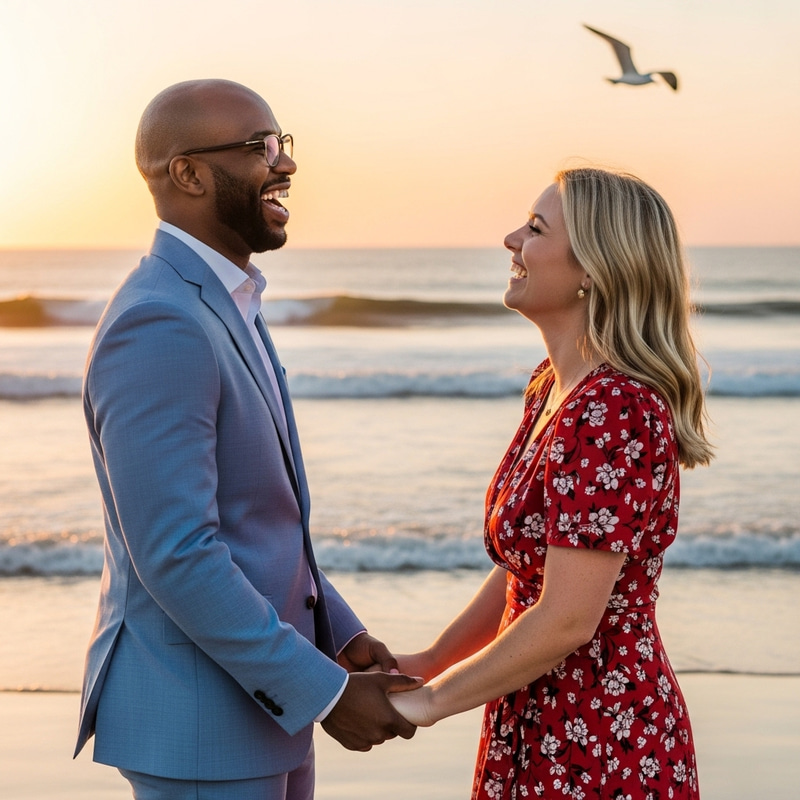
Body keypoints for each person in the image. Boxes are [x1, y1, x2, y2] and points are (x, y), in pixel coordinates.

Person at [73, 78, 418, 800]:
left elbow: (259, 522)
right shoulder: (160, 323)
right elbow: (178, 555)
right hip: (200, 726)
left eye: (282, 144)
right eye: (260, 147)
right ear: (189, 173)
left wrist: (339, 635)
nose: (284, 163)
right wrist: (323, 692)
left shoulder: (228, 301)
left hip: (259, 716)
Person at [390, 167, 713, 799]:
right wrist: (432, 661)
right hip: (536, 713)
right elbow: (531, 565)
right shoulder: (553, 386)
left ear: (594, 267)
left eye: (536, 229)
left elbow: (567, 618)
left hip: (603, 733)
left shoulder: (615, 406)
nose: (512, 239)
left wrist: (428, 704)